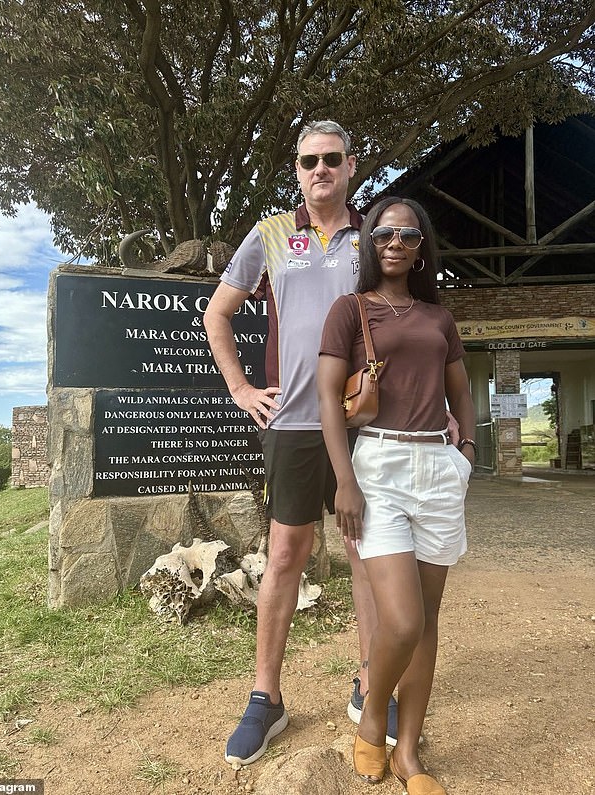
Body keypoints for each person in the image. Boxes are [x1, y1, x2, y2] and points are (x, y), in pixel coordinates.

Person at [203, 120, 392, 766]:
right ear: (297, 169)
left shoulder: (373, 237)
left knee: (365, 551)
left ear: (351, 164)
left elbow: (401, 322)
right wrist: (239, 387)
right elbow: (216, 313)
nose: (320, 170)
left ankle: (369, 684)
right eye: (309, 161)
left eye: (332, 159)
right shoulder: (273, 236)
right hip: (291, 425)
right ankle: (267, 697)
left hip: (362, 423)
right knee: (285, 551)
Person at [317, 196, 475, 792]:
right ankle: (371, 722)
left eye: (407, 235)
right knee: (402, 622)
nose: (394, 243)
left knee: (429, 620)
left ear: (420, 245)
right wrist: (345, 482)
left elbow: (459, 389)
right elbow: (329, 402)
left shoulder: (439, 318)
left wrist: (466, 453)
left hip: (437, 467)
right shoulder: (350, 309)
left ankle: (408, 754)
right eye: (383, 233)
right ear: (368, 241)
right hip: (378, 467)